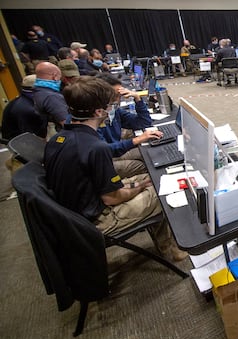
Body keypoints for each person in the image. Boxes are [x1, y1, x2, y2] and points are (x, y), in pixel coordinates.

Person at [44, 76, 187, 262]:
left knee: (152, 177)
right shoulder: (95, 147)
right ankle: (170, 248)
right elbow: (112, 197)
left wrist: (139, 183)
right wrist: (140, 187)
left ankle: (162, 239)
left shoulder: (58, 138)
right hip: (98, 221)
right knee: (164, 189)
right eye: (110, 105)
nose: (112, 109)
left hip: (75, 212)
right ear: (98, 112)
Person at [95, 73, 156, 178]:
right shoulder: (93, 118)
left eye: (120, 94)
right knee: (145, 165)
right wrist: (137, 140)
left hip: (113, 152)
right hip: (102, 161)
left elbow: (143, 122)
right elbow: (104, 150)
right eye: (115, 95)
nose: (119, 99)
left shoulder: (114, 111)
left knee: (150, 154)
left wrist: (137, 98)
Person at [32, 62, 69, 137]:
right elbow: (67, 123)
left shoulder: (38, 91)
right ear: (55, 76)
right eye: (59, 77)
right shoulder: (51, 97)